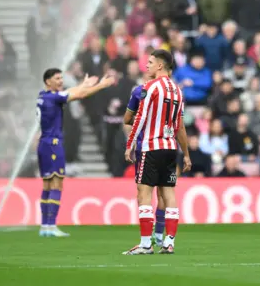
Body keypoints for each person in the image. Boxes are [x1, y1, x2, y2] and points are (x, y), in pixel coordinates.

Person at [123, 49, 192, 255]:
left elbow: (141, 117)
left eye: (151, 62)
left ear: (160, 65)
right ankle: (169, 242)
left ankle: (145, 244)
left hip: (151, 146)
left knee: (144, 193)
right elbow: (179, 125)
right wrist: (186, 153)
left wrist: (130, 143)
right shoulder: (178, 91)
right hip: (171, 148)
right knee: (168, 194)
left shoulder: (150, 87)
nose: (147, 65)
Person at [37, 68, 114, 237]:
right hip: (53, 144)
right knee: (56, 184)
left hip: (44, 144)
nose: (60, 81)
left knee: (47, 185)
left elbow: (70, 92)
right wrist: (101, 85)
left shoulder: (43, 96)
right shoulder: (54, 97)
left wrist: (83, 84)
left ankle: (45, 226)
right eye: (57, 78)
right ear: (48, 81)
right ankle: (51, 225)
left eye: (61, 78)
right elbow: (78, 95)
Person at [124, 71, 177, 247]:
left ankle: (151, 241)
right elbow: (179, 125)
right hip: (160, 146)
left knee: (150, 193)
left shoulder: (151, 91)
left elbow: (129, 119)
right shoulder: (173, 91)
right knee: (161, 193)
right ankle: (161, 239)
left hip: (151, 146)